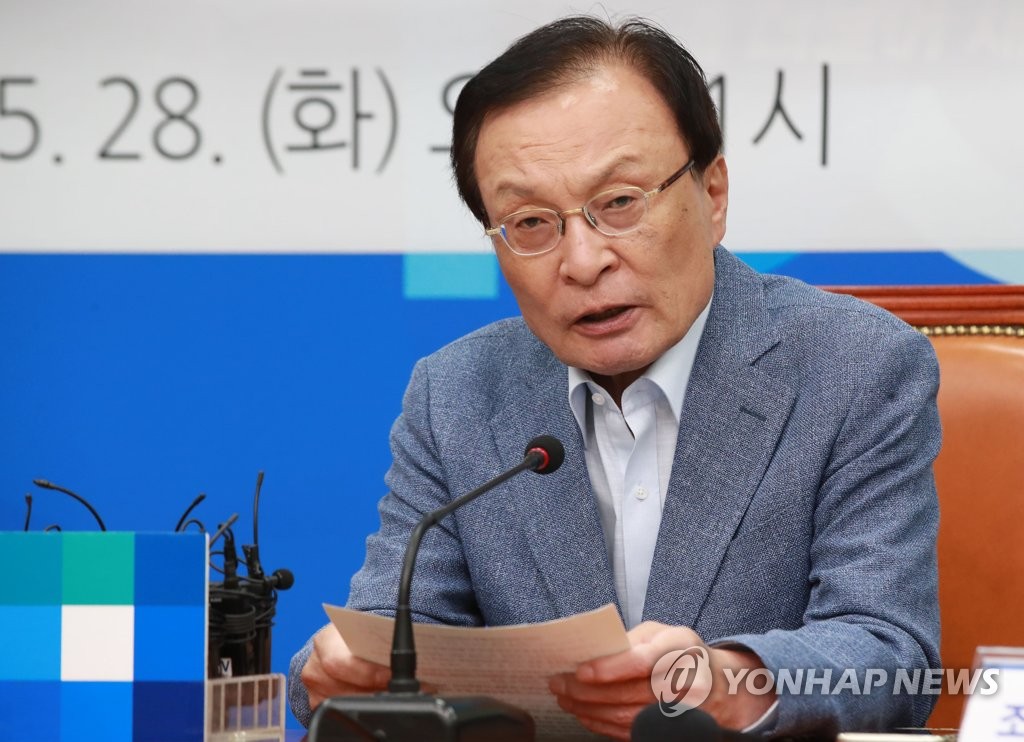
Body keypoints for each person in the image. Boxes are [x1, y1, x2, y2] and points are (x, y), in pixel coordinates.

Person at [290, 15, 941, 739]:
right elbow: (396, 625)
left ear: (713, 194)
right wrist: (341, 669)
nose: (582, 261)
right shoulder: (457, 394)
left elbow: (890, 655)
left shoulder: (855, 366)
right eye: (530, 223)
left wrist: (729, 684)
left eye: (620, 203)